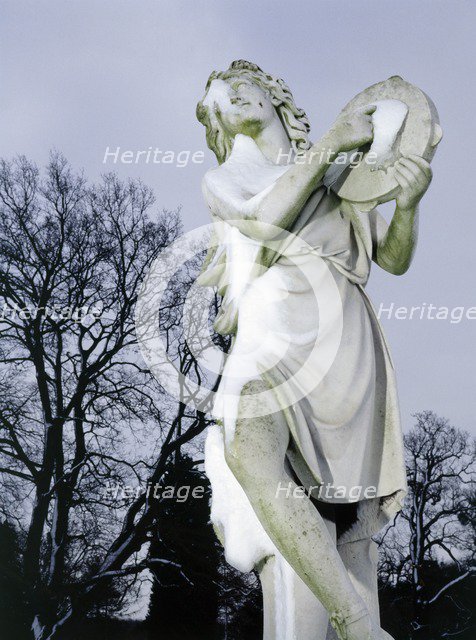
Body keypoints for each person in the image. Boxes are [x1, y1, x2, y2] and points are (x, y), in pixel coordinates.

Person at [197, 60, 433, 640]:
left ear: (272, 92)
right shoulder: (229, 178)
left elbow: (394, 259)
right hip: (275, 322)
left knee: (347, 513)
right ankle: (355, 622)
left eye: (239, 85)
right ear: (220, 122)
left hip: (347, 338)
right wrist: (331, 144)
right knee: (246, 442)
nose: (232, 97)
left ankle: (352, 614)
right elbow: (261, 225)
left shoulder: (343, 176)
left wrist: (407, 204)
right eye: (220, 100)